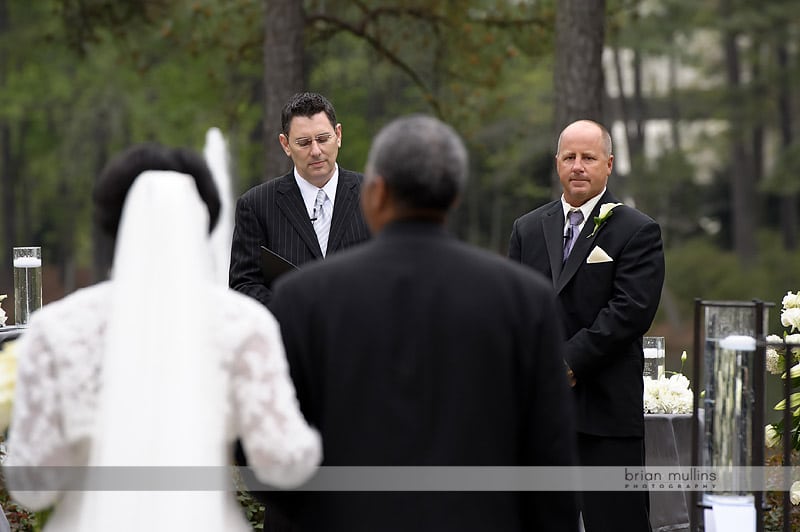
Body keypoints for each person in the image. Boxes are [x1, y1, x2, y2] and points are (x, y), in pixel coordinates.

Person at [261, 114, 579, 532]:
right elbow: (550, 460)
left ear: (376, 193)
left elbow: (268, 451)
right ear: (454, 197)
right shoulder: (522, 300)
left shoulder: (303, 298)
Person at [3, 143, 322, 532]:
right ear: (204, 218)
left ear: (111, 222)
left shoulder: (57, 329)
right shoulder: (244, 325)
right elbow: (285, 464)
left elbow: (32, 486)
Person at [508, 119, 665, 532]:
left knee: (618, 522)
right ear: (557, 162)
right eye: (569, 157)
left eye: (588, 158)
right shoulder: (526, 229)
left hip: (607, 411)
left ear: (609, 164)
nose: (578, 166)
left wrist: (569, 362)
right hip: (541, 412)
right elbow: (514, 309)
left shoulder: (637, 230)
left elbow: (631, 310)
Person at [229, 92, 370, 307]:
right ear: (285, 144)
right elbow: (243, 285)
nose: (316, 151)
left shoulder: (373, 195)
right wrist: (295, 311)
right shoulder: (256, 205)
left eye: (323, 139)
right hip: (291, 335)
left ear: (338, 135)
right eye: (304, 143)